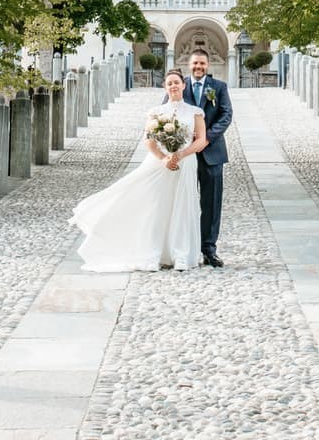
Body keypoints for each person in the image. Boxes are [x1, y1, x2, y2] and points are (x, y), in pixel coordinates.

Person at [70, 69, 207, 272]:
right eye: (169, 83)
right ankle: (152, 253)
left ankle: (181, 254)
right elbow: (149, 140)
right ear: (165, 87)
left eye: (176, 82)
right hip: (160, 164)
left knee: (182, 206)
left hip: (185, 162)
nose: (173, 86)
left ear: (184, 85)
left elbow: (201, 140)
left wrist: (181, 154)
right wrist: (164, 159)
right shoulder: (156, 112)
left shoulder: (195, 112)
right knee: (156, 207)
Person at [179, 48, 233, 268]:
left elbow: (226, 114)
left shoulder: (219, 88)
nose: (198, 67)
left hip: (212, 153)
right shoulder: (179, 85)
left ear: (207, 66)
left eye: (202, 64)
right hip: (185, 154)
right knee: (183, 202)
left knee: (211, 204)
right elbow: (167, 113)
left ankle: (209, 249)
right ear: (189, 65)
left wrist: (206, 137)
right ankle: (184, 248)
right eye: (195, 64)